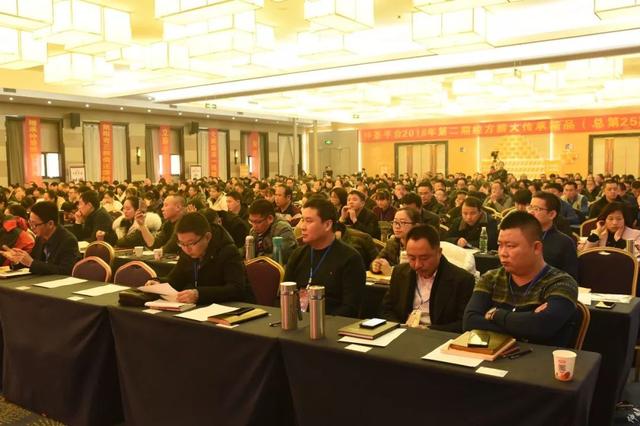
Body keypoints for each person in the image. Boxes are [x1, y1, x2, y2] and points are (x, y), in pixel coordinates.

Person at [463, 211, 579, 346]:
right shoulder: (491, 278)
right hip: (492, 354)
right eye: (500, 245)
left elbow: (542, 327)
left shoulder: (561, 283)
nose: (503, 253)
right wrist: (527, 322)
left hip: (540, 357)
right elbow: (470, 322)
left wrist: (495, 314)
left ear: (536, 248)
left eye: (510, 246)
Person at [381, 225, 475, 332]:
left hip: (438, 336)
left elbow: (463, 323)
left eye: (424, 258)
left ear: (439, 252)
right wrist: (401, 327)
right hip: (402, 333)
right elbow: (386, 310)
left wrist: (428, 330)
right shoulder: (399, 272)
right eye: (412, 258)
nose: (417, 265)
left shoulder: (461, 280)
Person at [148, 212, 254, 305]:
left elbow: (236, 289)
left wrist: (199, 294)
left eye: (191, 243)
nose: (187, 249)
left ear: (207, 237)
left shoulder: (227, 251)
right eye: (181, 244)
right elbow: (176, 279)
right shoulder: (186, 252)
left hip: (231, 309)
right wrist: (159, 283)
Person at [284, 198, 365, 317]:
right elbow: (285, 295)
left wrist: (318, 321)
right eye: (302, 220)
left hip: (332, 323)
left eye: (309, 221)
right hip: (296, 320)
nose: (302, 227)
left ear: (327, 225)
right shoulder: (298, 254)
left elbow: (350, 308)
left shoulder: (350, 258)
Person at [0, 201, 79, 275]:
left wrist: (31, 263)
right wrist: (17, 260)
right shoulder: (40, 238)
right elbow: (34, 262)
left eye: (35, 224)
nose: (32, 228)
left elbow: (65, 271)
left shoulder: (68, 241)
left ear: (50, 224)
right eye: (30, 223)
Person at [527, 192, 578, 280]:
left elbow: (570, 278)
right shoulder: (521, 235)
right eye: (530, 207)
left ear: (551, 214)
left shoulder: (565, 242)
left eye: (536, 209)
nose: (531, 212)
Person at [245, 199, 296, 264]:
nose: (254, 226)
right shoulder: (253, 231)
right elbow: (246, 251)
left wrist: (258, 259)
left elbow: (281, 256)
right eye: (251, 221)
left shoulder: (283, 229)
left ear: (270, 218)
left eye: (258, 222)